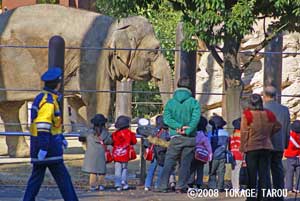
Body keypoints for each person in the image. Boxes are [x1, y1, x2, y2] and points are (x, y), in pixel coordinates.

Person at [23, 67, 78, 201]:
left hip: (42, 147)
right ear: (58, 84)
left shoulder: (42, 97)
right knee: (64, 180)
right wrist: (44, 147)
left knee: (35, 181)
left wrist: (62, 138)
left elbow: (54, 125)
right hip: (50, 149)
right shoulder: (49, 102)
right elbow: (43, 125)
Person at [156, 76, 201, 193]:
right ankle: (181, 186)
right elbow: (196, 119)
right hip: (189, 137)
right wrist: (187, 129)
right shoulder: (194, 102)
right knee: (185, 164)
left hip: (175, 136)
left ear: (177, 85)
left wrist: (177, 127)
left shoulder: (171, 103)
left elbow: (166, 119)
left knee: (169, 162)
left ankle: (162, 185)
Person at [240, 93, 281, 201]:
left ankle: (251, 197)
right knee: (264, 175)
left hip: (252, 147)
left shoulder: (247, 115)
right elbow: (278, 126)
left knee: (251, 175)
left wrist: (242, 148)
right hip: (266, 147)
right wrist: (269, 133)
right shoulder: (268, 113)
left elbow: (244, 133)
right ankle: (263, 197)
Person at [263, 85, 290, 199]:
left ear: (264, 96)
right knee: (278, 170)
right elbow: (287, 128)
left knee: (265, 171)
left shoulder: (262, 109)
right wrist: (286, 143)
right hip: (279, 144)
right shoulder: (284, 110)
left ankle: (267, 195)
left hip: (265, 144)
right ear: (276, 96)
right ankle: (279, 196)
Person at [82, 114, 112, 191]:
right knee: (101, 170)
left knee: (93, 171)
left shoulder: (88, 132)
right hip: (101, 154)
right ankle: (101, 185)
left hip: (91, 154)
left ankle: (92, 185)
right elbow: (110, 141)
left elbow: (81, 137)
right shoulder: (105, 133)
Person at [144, 115, 172, 191]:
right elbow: (167, 144)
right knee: (161, 170)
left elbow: (147, 142)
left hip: (153, 153)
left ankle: (147, 184)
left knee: (151, 169)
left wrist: (147, 148)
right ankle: (158, 184)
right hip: (162, 154)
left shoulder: (153, 130)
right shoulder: (166, 133)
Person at [112, 115, 137, 191]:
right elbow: (134, 141)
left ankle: (117, 184)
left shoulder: (115, 134)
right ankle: (124, 181)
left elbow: (112, 142)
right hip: (125, 154)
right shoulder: (129, 133)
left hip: (116, 154)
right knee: (124, 168)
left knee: (117, 169)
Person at [188, 116, 212, 189]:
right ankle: (199, 183)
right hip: (202, 154)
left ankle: (190, 183)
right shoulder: (203, 134)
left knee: (192, 168)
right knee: (200, 169)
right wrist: (210, 154)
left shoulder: (191, 133)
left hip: (192, 153)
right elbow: (208, 145)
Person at [207, 115, 229, 192]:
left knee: (212, 172)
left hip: (213, 156)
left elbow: (208, 144)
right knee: (221, 172)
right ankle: (220, 187)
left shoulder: (210, 134)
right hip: (222, 155)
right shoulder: (226, 133)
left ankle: (212, 186)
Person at [284, 120, 300, 193]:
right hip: (299, 156)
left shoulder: (290, 136)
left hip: (290, 156)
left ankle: (288, 188)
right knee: (299, 174)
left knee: (289, 173)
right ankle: (298, 188)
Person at [229, 117, 243, 190]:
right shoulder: (241, 135)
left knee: (233, 171)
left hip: (232, 155)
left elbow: (229, 146)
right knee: (237, 172)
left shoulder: (232, 135)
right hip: (239, 155)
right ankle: (237, 188)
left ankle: (234, 187)